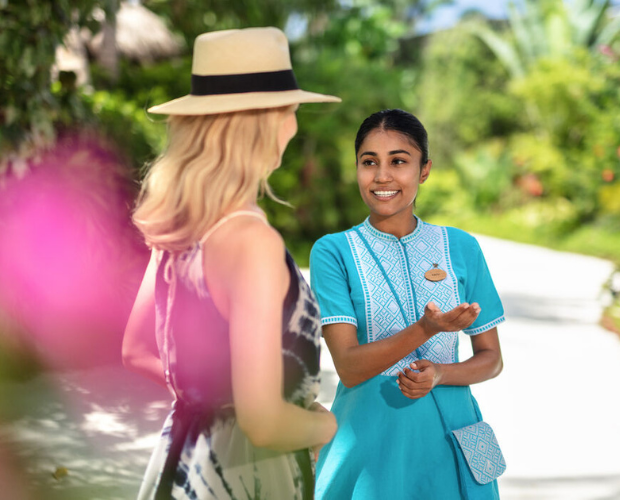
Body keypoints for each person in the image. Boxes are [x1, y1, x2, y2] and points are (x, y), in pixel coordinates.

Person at [122, 27, 339, 500]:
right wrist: (326, 427)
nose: (295, 126)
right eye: (292, 111)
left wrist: (215, 393)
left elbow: (137, 351)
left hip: (183, 460)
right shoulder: (252, 243)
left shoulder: (179, 227)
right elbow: (263, 423)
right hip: (249, 475)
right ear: (268, 122)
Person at [310, 109, 505, 499]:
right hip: (369, 445)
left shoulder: (462, 247)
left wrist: (439, 375)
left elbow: (492, 359)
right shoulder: (333, 252)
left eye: (398, 161)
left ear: (424, 169)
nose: (382, 176)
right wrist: (426, 329)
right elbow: (348, 367)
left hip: (455, 439)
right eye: (370, 162)